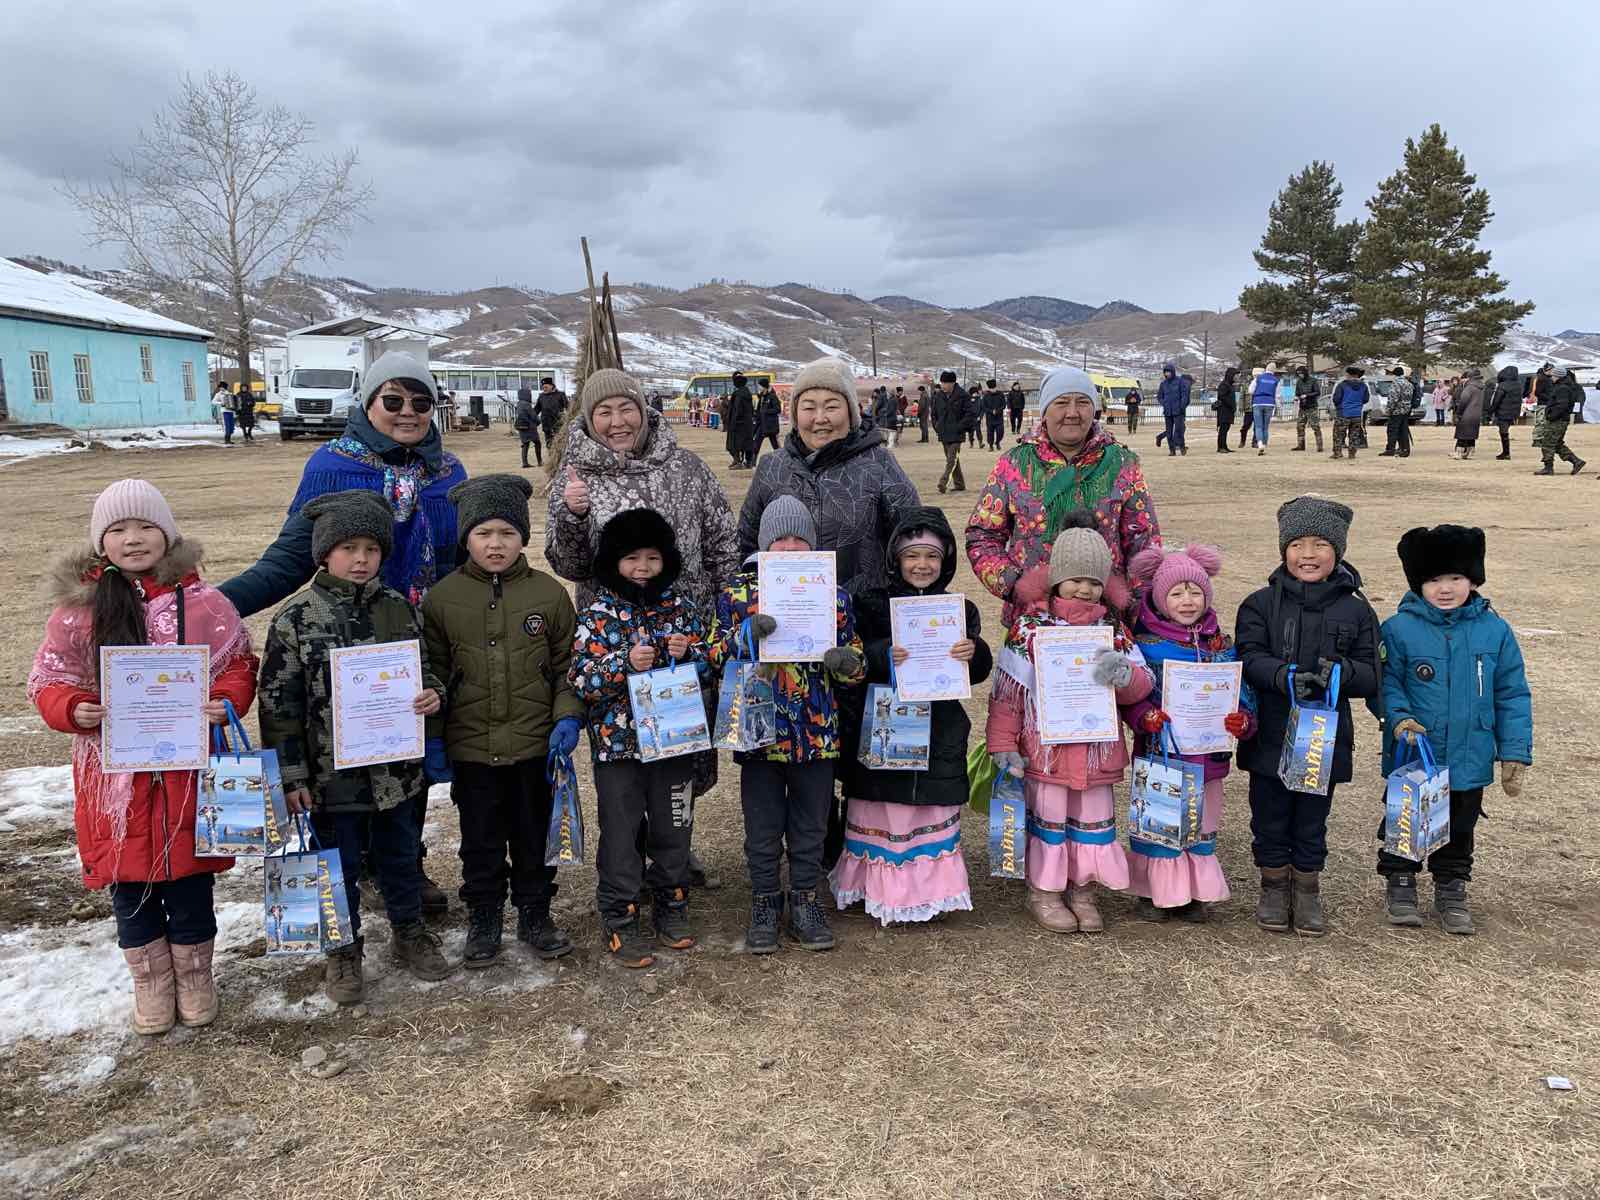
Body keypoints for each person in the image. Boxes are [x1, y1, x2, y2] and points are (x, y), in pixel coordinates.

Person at [28, 480, 258, 1034]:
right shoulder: (76, 612)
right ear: (100, 541)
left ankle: (196, 976)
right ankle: (151, 982)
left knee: (189, 878)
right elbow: (49, 677)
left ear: (167, 533)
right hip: (114, 779)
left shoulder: (205, 604)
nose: (133, 539)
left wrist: (225, 701)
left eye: (145, 526)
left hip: (186, 770)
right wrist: (73, 706)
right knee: (129, 878)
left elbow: (238, 663)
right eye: (118, 529)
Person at [257, 490, 452, 1003]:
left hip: (396, 773)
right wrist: (293, 777)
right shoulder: (295, 619)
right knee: (335, 867)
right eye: (348, 548)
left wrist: (435, 694)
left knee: (402, 856)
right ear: (324, 554)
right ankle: (343, 951)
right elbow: (279, 705)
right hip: (328, 780)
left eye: (370, 548)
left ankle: (409, 932)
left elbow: (425, 669)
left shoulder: (399, 610)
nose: (360, 559)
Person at [421, 474, 584, 967]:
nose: (496, 545)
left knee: (533, 834)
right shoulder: (442, 599)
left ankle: (536, 913)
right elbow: (432, 671)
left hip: (534, 746)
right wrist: (434, 738)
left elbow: (567, 668)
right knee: (481, 838)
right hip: (472, 750)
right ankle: (484, 916)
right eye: (484, 534)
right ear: (466, 537)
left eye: (507, 534)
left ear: (523, 538)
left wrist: (568, 717)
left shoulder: (549, 596)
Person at [709, 496, 866, 953]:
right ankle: (764, 900)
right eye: (781, 538)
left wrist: (846, 661)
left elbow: (855, 666)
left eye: (800, 538)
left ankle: (804, 897)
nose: (791, 546)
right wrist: (744, 635)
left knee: (811, 822)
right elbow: (713, 654)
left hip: (816, 734)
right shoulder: (737, 595)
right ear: (764, 545)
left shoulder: (832, 594)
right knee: (761, 824)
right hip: (759, 731)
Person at [986, 513, 1154, 933]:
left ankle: (1083, 889)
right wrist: (1003, 745)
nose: (1085, 588)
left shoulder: (1112, 631)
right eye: (1076, 578)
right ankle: (1044, 890)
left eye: (1094, 581)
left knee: (1089, 821)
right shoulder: (1029, 629)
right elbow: (1008, 696)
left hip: (1096, 752)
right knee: (1050, 819)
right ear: (1056, 578)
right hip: (1047, 749)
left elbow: (1142, 686)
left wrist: (1123, 676)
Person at [831, 507, 992, 925]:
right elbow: (853, 661)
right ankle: (877, 888)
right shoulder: (868, 604)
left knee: (928, 809)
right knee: (883, 806)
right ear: (896, 558)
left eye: (932, 557)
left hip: (939, 726)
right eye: (913, 556)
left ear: (946, 561)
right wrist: (882, 655)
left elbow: (975, 671)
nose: (922, 565)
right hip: (885, 724)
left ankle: (930, 891)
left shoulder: (959, 608)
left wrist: (974, 654)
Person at [570, 509, 713, 967]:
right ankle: (620, 912)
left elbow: (712, 661)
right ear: (614, 562)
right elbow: (581, 679)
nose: (643, 568)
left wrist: (691, 655)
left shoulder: (681, 608)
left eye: (652, 557)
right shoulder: (597, 615)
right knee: (621, 830)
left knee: (675, 824)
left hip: (674, 741)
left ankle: (672, 900)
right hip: (619, 748)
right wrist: (623, 664)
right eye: (632, 558)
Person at [1234, 495, 1381, 936]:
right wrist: (1282, 676)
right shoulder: (1260, 604)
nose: (1308, 555)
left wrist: (1340, 673)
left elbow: (1373, 673)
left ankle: (1308, 888)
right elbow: (1247, 656)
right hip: (1271, 734)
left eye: (1320, 544)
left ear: (1338, 550)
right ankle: (1274, 885)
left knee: (1313, 816)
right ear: (1284, 550)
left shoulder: (1357, 609)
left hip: (1325, 736)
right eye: (1298, 544)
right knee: (1270, 812)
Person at [1375, 525, 1532, 936]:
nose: (1445, 588)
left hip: (1470, 751)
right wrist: (1399, 718)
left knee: (1460, 824)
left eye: (1455, 579)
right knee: (1406, 819)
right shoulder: (1397, 629)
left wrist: (1514, 750)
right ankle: (1401, 882)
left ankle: (1451, 887)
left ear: (1473, 579)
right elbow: (1386, 683)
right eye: (1434, 580)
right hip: (1415, 750)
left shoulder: (1494, 631)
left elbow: (1512, 692)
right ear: (1419, 584)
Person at [966, 365, 1161, 630]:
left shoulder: (1122, 464)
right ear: (1045, 411)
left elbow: (1144, 542)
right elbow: (982, 535)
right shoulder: (1013, 464)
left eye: (1082, 402)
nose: (1072, 413)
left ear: (1094, 409)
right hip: (1031, 617)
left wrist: (1134, 606)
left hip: (1105, 620)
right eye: (1061, 403)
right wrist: (1016, 585)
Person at [1124, 544, 1256, 922]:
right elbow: (1133, 695)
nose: (1187, 601)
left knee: (1202, 821)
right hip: (1161, 752)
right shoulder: (1144, 645)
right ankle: (1155, 891)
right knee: (1159, 822)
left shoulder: (1221, 645)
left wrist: (1243, 720)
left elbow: (1241, 694)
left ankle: (1196, 890)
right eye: (1176, 592)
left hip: (1208, 756)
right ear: (1159, 598)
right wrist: (1144, 715)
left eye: (1195, 592)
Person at [549, 368, 739, 614]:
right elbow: (571, 569)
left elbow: (723, 549)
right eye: (604, 412)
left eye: (626, 408)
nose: (618, 422)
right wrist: (574, 517)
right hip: (611, 636)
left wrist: (727, 615)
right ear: (590, 419)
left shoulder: (688, 468)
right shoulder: (575, 479)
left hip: (691, 633)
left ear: (642, 410)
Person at [737, 357, 919, 597]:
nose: (820, 418)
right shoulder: (771, 467)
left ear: (851, 412)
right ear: (795, 413)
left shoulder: (879, 463)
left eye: (832, 407)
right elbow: (746, 547)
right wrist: (753, 604)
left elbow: (914, 542)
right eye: (809, 407)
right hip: (787, 620)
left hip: (868, 623)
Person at [1534, 367, 1587, 476]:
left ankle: (1548, 468)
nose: (1551, 378)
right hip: (1560, 419)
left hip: (1558, 420)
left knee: (1547, 442)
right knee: (1557, 443)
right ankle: (1576, 461)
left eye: (1553, 376)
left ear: (1558, 376)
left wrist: (1551, 416)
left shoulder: (1562, 388)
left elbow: (1561, 405)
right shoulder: (1563, 386)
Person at [932, 371, 976, 493]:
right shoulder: (938, 396)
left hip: (957, 434)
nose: (943, 385)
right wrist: (937, 426)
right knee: (953, 459)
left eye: (945, 383)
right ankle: (960, 484)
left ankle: (943, 481)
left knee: (951, 459)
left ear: (952, 383)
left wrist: (960, 427)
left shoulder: (963, 395)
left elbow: (970, 413)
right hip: (943, 432)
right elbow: (934, 413)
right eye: (942, 383)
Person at [1330, 366, 1368, 460]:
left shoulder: (1342, 385)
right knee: (1354, 435)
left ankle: (1337, 453)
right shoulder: (1363, 385)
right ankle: (1352, 454)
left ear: (1348, 374)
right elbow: (1366, 399)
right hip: (1357, 414)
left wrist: (1339, 407)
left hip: (1343, 413)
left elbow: (1336, 399)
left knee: (1338, 434)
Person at [1485, 365, 1522, 459]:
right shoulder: (1518, 385)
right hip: (1514, 412)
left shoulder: (1503, 385)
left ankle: (1506, 453)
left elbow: (1496, 400)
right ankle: (1506, 452)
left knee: (1503, 431)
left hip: (1503, 411)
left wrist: (1490, 411)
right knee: (1505, 431)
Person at [1450, 368, 1485, 460]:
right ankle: (1470, 452)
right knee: (1471, 434)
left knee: (1462, 433)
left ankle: (1459, 452)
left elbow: (1463, 401)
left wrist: (1459, 413)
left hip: (1467, 413)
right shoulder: (1481, 387)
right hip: (1476, 414)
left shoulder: (1469, 387)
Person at [1155, 362, 1190, 456]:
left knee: (1179, 430)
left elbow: (1184, 395)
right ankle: (1172, 450)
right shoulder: (1163, 384)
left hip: (1178, 411)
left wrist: (1181, 406)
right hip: (1168, 411)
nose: (1167, 374)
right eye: (1165, 372)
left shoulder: (1180, 381)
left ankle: (1182, 447)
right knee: (1169, 433)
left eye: (1169, 372)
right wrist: (1164, 403)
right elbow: (1159, 396)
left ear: (1173, 372)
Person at [1380, 366, 1414, 458]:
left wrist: (1388, 410)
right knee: (1403, 430)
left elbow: (1393, 399)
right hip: (1406, 411)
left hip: (1396, 411)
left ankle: (1390, 449)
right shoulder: (1409, 384)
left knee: (1392, 430)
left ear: (1394, 374)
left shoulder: (1395, 384)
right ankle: (1405, 449)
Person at [725, 372, 755, 470]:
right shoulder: (748, 393)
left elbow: (737, 410)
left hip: (738, 424)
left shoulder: (738, 395)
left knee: (734, 444)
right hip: (747, 423)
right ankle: (748, 462)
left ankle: (738, 461)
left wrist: (732, 422)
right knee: (747, 443)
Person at [1249, 364, 1279, 456]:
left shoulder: (1258, 378)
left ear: (1266, 369)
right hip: (1270, 403)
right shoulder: (1276, 380)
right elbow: (1277, 395)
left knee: (1258, 426)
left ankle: (1260, 444)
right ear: (1274, 370)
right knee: (1265, 427)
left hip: (1257, 402)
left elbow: (1250, 390)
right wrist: (1278, 406)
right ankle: (1264, 445)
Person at [1292, 366, 1323, 453]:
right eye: (1298, 374)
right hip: (1302, 407)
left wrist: (1307, 395)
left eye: (1301, 373)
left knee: (1315, 426)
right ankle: (1300, 445)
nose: (1300, 375)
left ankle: (1319, 446)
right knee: (1300, 426)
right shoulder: (1299, 382)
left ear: (1305, 373)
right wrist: (1296, 397)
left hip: (1312, 407)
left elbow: (1317, 392)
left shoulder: (1313, 381)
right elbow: (1297, 393)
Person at [755, 378, 782, 459]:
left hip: (770, 426)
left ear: (764, 386)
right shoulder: (761, 397)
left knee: (775, 446)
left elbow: (778, 409)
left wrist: (765, 411)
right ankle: (752, 463)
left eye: (759, 386)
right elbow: (759, 410)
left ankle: (781, 460)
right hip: (761, 425)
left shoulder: (772, 396)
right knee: (756, 445)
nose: (758, 387)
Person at [514, 385, 541, 468]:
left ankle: (525, 462)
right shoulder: (527, 404)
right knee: (537, 443)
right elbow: (533, 415)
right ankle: (539, 461)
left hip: (521, 427)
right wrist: (538, 421)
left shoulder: (519, 404)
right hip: (530, 427)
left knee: (525, 444)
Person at [1213, 367, 1238, 454]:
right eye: (1235, 375)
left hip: (1228, 410)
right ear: (1231, 375)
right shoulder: (1224, 385)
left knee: (1226, 429)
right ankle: (1220, 447)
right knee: (1223, 429)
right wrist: (1230, 404)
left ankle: (1224, 446)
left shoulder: (1230, 385)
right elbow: (1222, 396)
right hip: (1224, 410)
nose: (1237, 377)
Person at [871, 384, 901, 449]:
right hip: (890, 416)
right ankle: (891, 443)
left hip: (887, 416)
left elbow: (889, 409)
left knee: (888, 430)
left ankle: (889, 443)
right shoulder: (893, 399)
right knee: (890, 430)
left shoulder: (889, 399)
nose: (887, 395)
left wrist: (883, 414)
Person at [982, 379, 1007, 450]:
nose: (993, 390)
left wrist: (998, 410)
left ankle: (998, 442)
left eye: (994, 388)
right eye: (991, 388)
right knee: (990, 433)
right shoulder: (986, 396)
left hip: (999, 418)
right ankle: (990, 445)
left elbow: (1004, 405)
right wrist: (991, 411)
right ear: (989, 388)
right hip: (990, 418)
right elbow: (984, 406)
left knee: (1000, 432)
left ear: (996, 387)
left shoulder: (1001, 394)